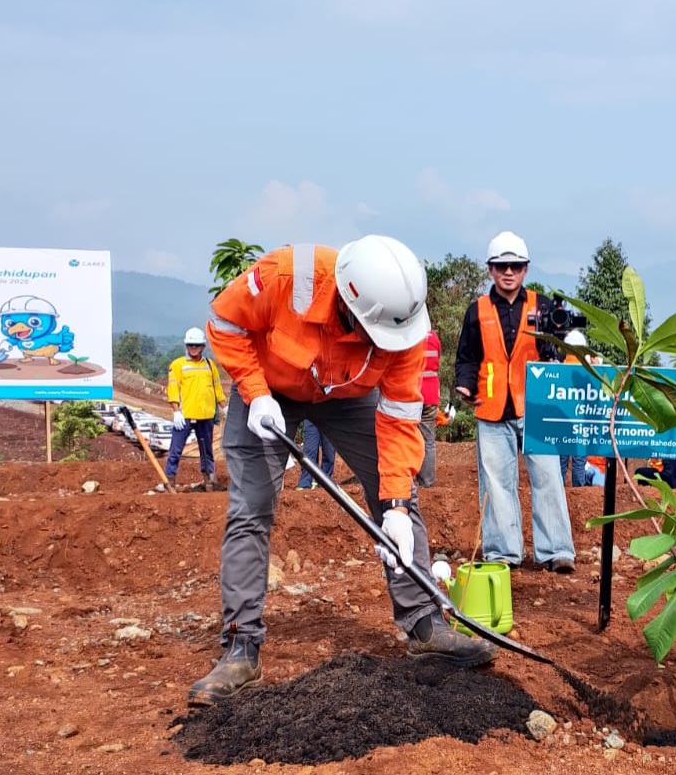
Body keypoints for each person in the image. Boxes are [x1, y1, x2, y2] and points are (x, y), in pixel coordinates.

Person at [188, 236, 495, 707]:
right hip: (270, 389)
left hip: (350, 396)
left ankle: (425, 624)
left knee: (401, 500)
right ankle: (240, 646)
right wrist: (254, 391)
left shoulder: (403, 326)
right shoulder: (286, 277)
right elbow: (224, 321)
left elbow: (397, 419)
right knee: (251, 508)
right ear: (350, 305)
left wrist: (392, 504)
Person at [454, 230, 576, 574]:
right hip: (492, 408)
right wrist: (464, 386)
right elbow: (466, 358)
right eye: (502, 266)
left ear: (526, 270)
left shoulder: (543, 306)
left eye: (516, 266)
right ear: (491, 269)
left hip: (536, 407)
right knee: (495, 483)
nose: (509, 272)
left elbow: (563, 346)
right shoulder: (477, 311)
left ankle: (556, 551)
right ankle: (503, 553)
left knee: (549, 476)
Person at [165, 327, 226, 492]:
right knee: (176, 450)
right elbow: (173, 389)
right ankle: (170, 481)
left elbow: (217, 387)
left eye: (197, 345)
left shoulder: (209, 365)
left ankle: (210, 481)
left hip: (205, 415)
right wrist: (176, 411)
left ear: (203, 346)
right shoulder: (178, 365)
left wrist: (223, 406)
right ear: (186, 345)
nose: (193, 348)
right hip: (185, 416)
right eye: (190, 345)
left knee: (207, 452)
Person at [559, 329, 591, 487]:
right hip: (580, 421)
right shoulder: (588, 370)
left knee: (561, 461)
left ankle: (559, 492)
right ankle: (579, 492)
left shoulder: (560, 367)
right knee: (579, 461)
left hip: (563, 419)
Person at [416, 329, 441, 487]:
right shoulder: (434, 338)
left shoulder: (411, 335)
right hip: (432, 393)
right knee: (428, 439)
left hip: (413, 391)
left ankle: (410, 478)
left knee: (409, 436)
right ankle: (427, 480)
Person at [296, 420, 336, 489]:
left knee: (329, 454)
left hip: (330, 417)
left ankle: (325, 482)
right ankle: (305, 483)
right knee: (309, 451)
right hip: (310, 417)